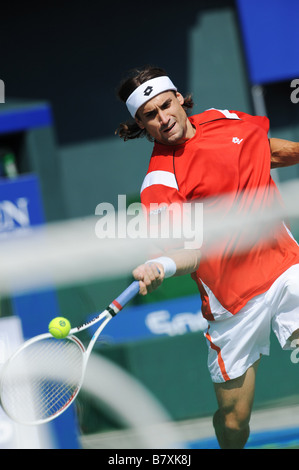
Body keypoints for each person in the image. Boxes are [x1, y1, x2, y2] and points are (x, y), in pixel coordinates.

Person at [116, 65, 299, 449]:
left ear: (179, 98)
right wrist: (161, 264)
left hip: (284, 267)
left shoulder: (224, 120)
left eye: (166, 105)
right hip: (232, 304)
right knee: (234, 421)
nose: (163, 119)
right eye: (150, 116)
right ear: (140, 125)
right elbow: (190, 252)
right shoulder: (161, 182)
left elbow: (267, 152)